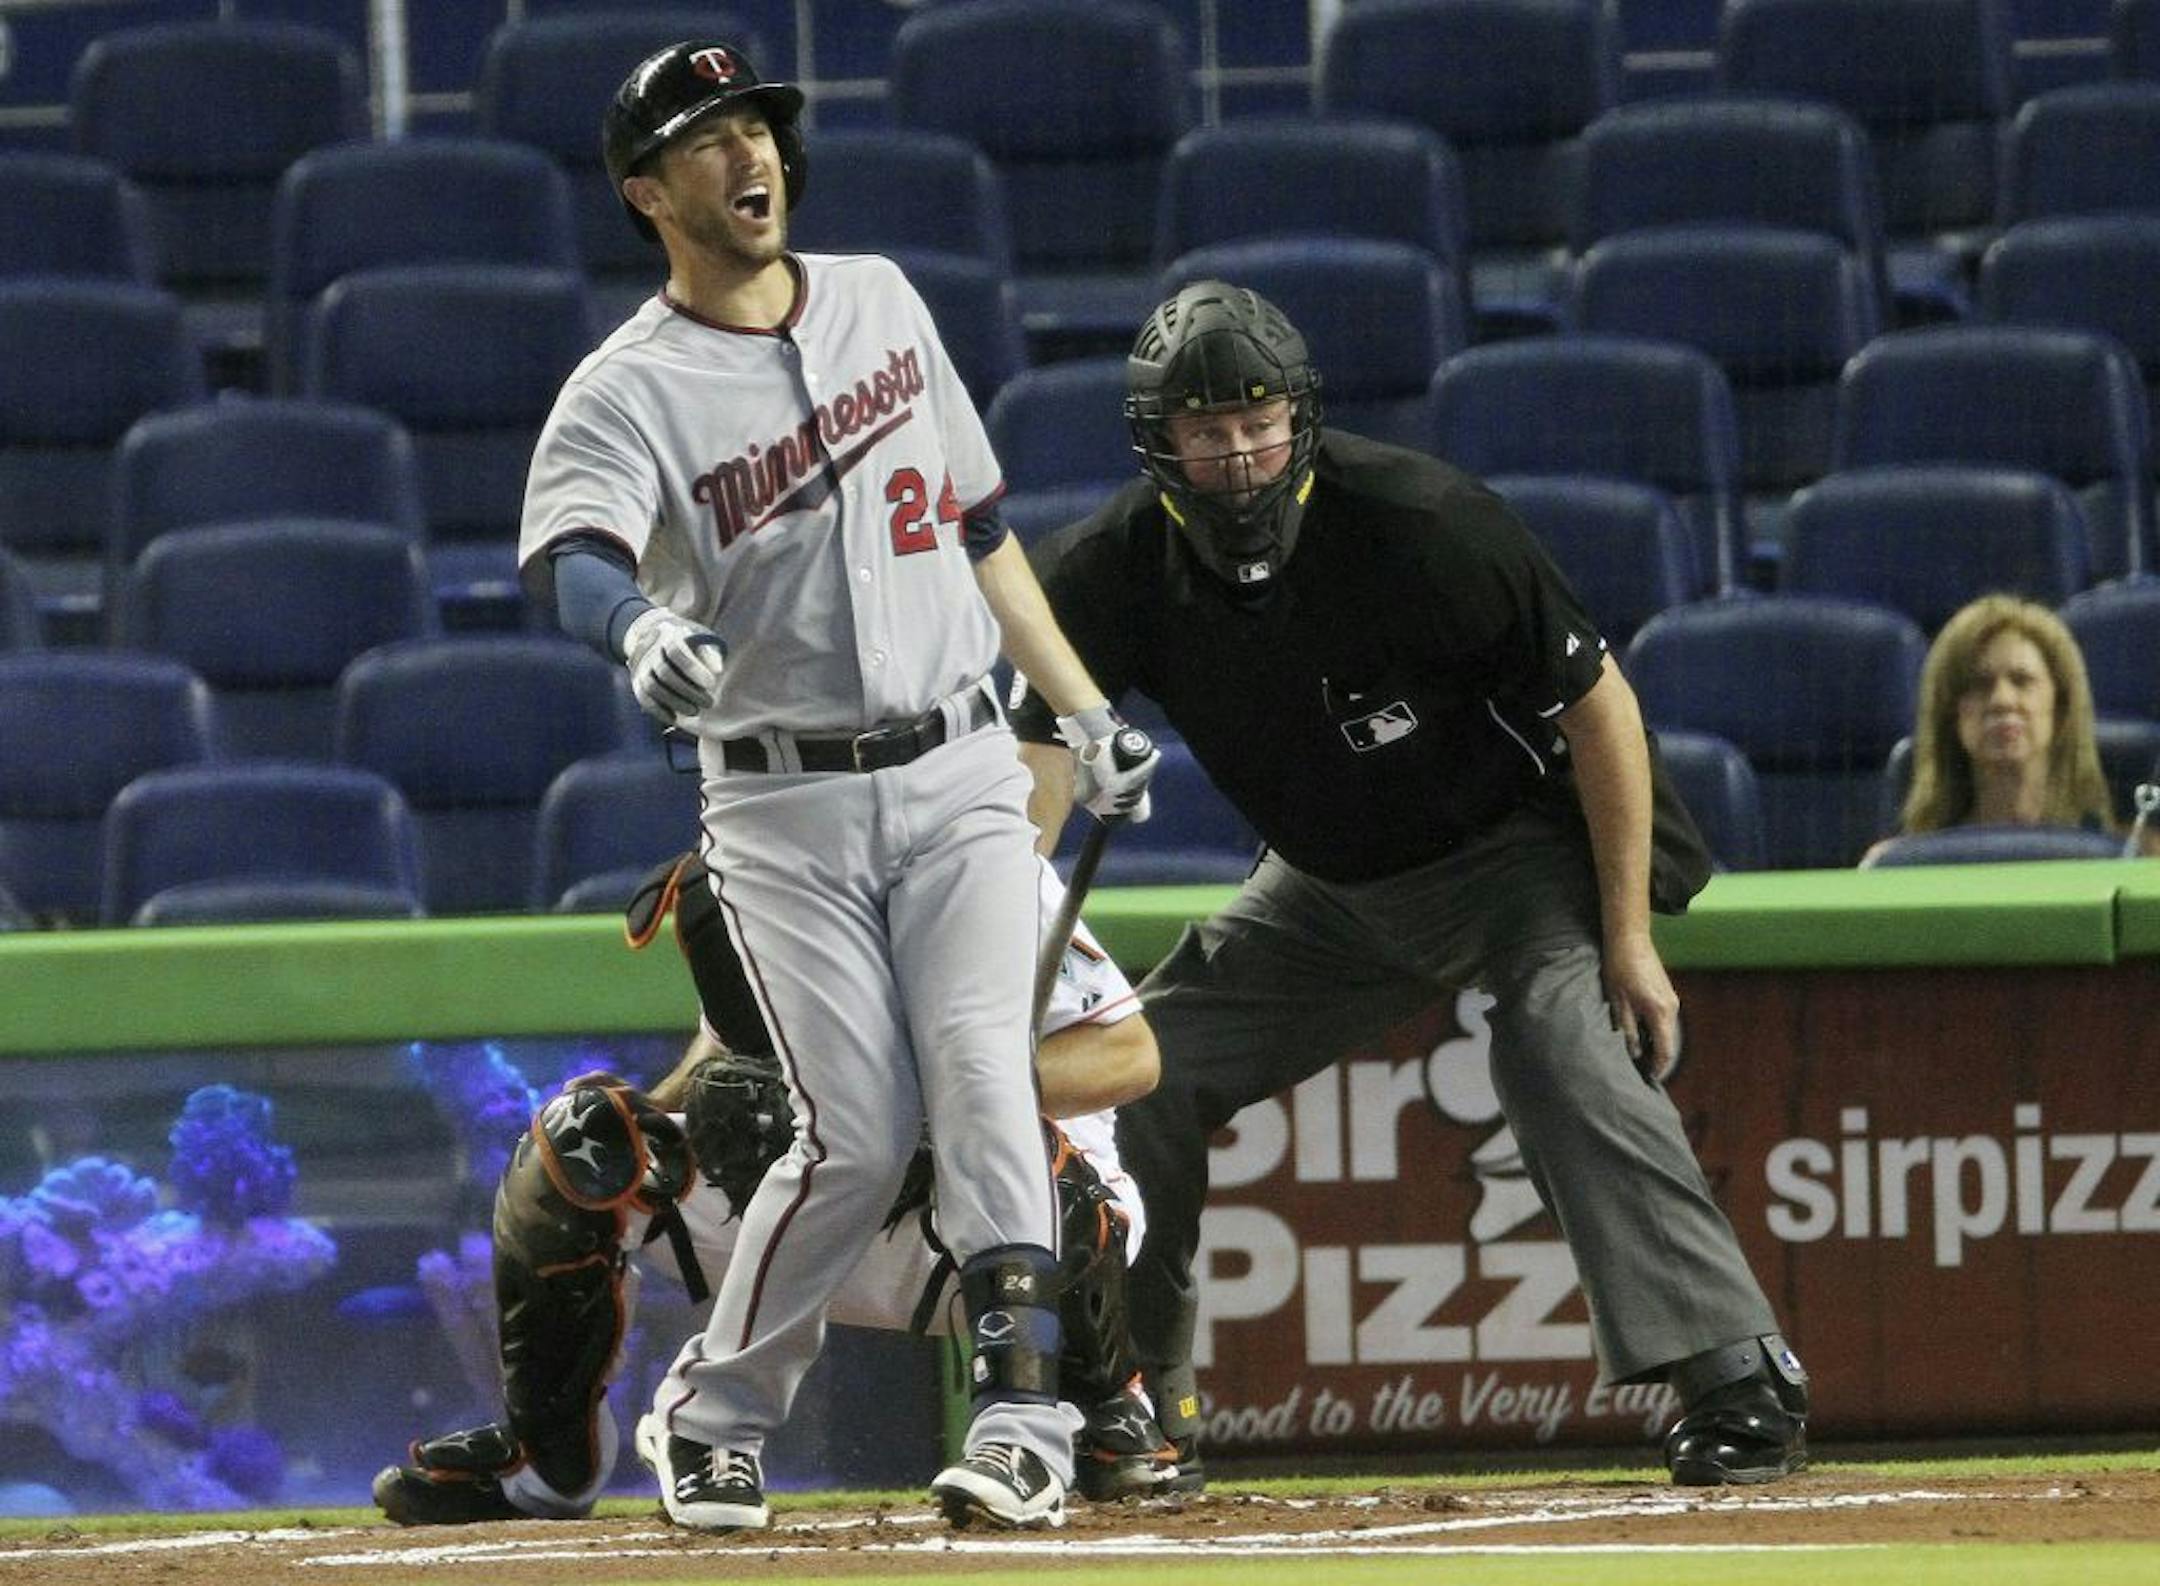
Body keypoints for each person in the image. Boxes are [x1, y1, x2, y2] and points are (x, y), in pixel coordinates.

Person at [1008, 280, 1811, 1491]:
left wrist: (1628, 933)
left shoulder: (1428, 522)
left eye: (1259, 421)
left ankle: (1739, 1375)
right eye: (1206, 430)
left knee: (1556, 1044)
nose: (1237, 454)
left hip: (1513, 857)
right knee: (1139, 1073)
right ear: (1158, 442)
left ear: (1300, 420)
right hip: (1323, 888)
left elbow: (1603, 710)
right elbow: (1037, 778)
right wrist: (994, 964)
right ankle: (1132, 1406)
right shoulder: (1109, 568)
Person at [514, 39, 1157, 1532]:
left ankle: (1023, 1420)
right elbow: (573, 562)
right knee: (856, 1130)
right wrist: (640, 625)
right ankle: (714, 1407)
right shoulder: (627, 387)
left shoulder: (880, 298)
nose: (747, 155)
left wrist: (1081, 708)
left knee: (989, 1077)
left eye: (757, 126)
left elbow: (982, 530)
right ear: (645, 190)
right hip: (779, 803)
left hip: (960, 769)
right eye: (704, 137)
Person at [373, 851, 1181, 1528]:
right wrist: (652, 1129)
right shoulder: (755, 858)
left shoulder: (981, 863)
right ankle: (546, 1464)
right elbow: (726, 1052)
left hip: (980, 1221)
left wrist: (935, 1094)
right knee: (579, 1140)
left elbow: (1129, 1059)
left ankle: (1091, 1401)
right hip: (815, 1194)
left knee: (1039, 1169)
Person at [1880, 594, 2153, 855]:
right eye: (1979, 685)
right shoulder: (1901, 865)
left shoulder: (2134, 857)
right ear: (1950, 713)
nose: (2002, 700)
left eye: (2022, 681)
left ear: (2060, 706)